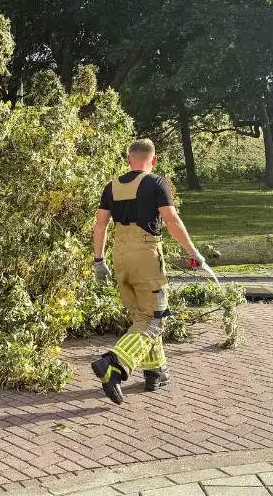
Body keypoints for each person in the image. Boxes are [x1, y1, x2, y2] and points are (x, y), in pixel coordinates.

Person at [89, 138, 212, 405]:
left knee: (140, 316)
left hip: (119, 256)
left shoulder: (111, 187)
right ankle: (113, 363)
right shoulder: (156, 183)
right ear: (153, 160)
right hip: (146, 256)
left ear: (128, 159)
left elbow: (100, 226)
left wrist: (99, 261)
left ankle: (155, 371)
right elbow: (171, 220)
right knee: (154, 319)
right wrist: (192, 252)